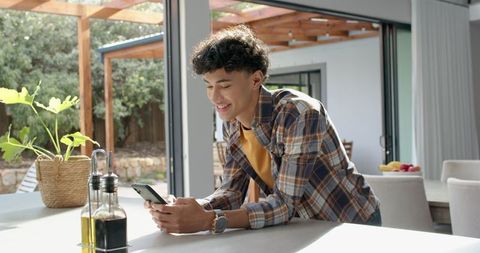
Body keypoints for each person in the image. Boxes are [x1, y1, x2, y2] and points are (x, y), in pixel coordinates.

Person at [146, 25, 381, 234]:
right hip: (305, 226)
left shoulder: (299, 113)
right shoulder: (233, 124)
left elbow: (285, 204)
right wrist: (185, 209)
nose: (215, 97)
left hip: (351, 221)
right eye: (209, 86)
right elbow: (231, 193)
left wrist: (208, 220)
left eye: (224, 85)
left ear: (256, 80)